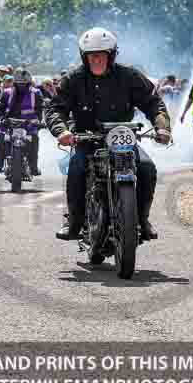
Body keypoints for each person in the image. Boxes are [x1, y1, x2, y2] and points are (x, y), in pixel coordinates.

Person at [45, 27, 171, 241]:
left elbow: (153, 102)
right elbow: (55, 108)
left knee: (147, 168)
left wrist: (162, 127)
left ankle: (142, 220)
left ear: (111, 55)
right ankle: (74, 222)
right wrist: (62, 131)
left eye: (101, 55)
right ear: (84, 57)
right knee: (76, 169)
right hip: (87, 139)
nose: (97, 60)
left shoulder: (129, 76)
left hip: (121, 139)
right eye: (92, 56)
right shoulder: (73, 79)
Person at [0, 67, 44, 176]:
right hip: (10, 123)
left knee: (34, 139)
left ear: (29, 83)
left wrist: (41, 121)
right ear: (14, 83)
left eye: (24, 84)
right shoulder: (6, 92)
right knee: (2, 137)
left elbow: (41, 110)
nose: (21, 86)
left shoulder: (36, 93)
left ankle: (33, 166)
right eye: (19, 83)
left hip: (29, 125)